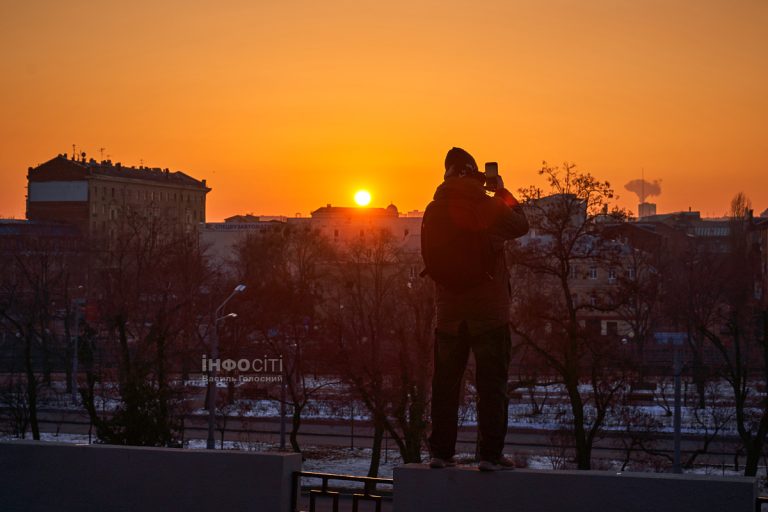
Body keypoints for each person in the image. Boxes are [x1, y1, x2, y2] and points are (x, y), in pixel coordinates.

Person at [423, 147, 528, 471]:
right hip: (489, 314)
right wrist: (502, 191)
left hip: (449, 315)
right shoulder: (490, 205)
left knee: (445, 386)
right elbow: (522, 224)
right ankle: (490, 456)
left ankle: (441, 452)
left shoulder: (433, 210)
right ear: (473, 173)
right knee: (491, 386)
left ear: (447, 175)